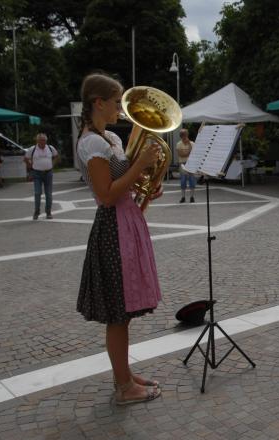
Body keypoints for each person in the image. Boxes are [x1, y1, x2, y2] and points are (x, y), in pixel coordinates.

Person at [75, 73, 163, 405]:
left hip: (124, 223)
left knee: (122, 312)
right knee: (117, 314)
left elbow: (125, 181)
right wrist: (140, 163)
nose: (121, 110)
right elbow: (107, 195)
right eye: (116, 102)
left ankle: (123, 376)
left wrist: (148, 183)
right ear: (99, 103)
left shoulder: (109, 137)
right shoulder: (91, 143)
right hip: (112, 226)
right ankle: (125, 388)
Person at [24, 133, 59, 219]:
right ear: (37, 141)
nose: (43, 142)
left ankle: (48, 212)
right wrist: (30, 167)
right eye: (41, 140)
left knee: (49, 194)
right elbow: (25, 159)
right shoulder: (32, 149)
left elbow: (56, 156)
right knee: (37, 193)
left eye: (44, 140)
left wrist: (52, 164)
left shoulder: (50, 148)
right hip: (37, 173)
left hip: (48, 173)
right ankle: (37, 211)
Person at [176, 128, 196, 203]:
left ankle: (192, 197)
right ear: (181, 136)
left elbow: (193, 154)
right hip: (182, 163)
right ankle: (183, 197)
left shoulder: (192, 143)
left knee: (192, 180)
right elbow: (181, 154)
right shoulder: (178, 144)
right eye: (182, 135)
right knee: (183, 180)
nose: (184, 136)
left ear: (187, 135)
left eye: (185, 135)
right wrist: (189, 152)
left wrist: (189, 146)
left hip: (190, 163)